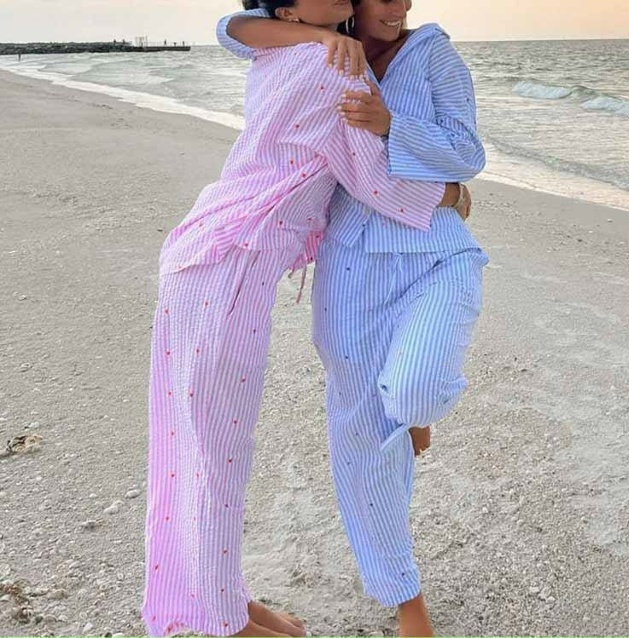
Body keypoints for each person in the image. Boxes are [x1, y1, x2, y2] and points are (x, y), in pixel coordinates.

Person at [141, 1, 467, 636]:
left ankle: (222, 599)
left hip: (208, 253)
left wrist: (315, 31)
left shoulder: (287, 46)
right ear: (286, 8)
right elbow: (377, 183)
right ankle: (222, 622)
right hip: (229, 264)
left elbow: (234, 30)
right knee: (212, 452)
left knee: (192, 448)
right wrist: (454, 195)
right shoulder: (333, 63)